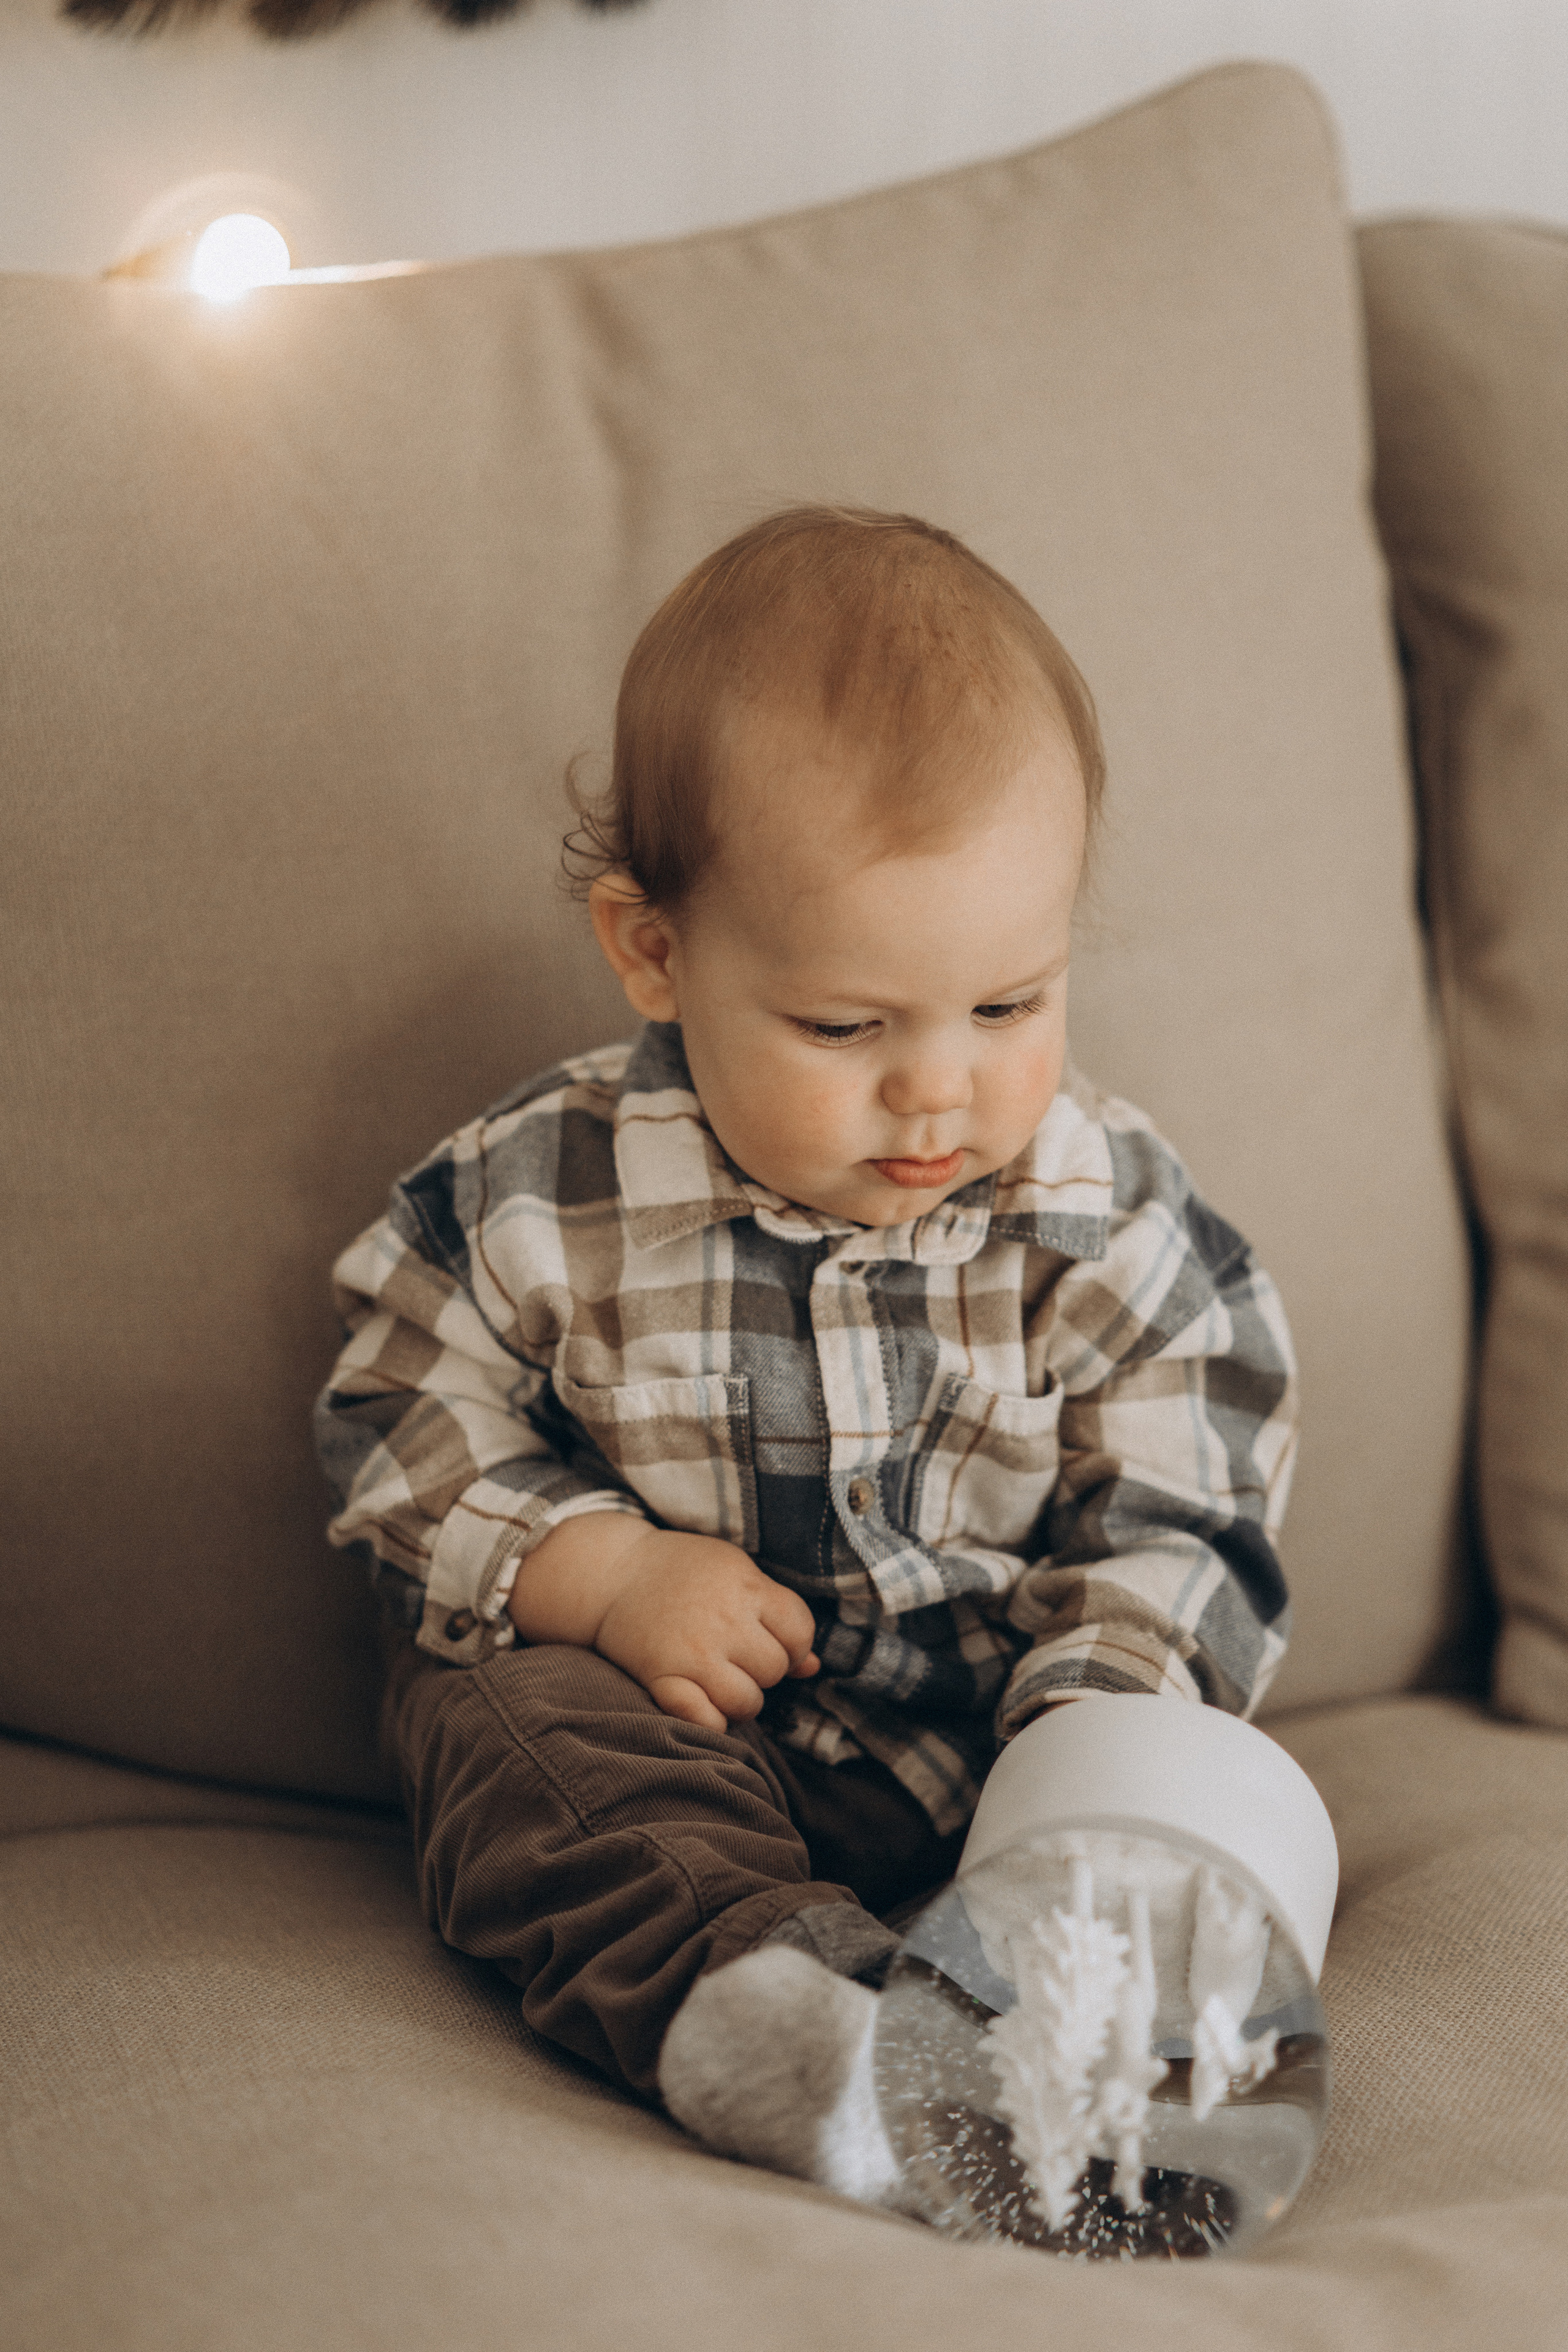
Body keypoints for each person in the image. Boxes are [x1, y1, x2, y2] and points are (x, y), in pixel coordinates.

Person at [314, 505, 1297, 2203]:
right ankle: (788, 2021)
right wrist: (601, 1572)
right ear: (657, 952)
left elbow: (1187, 1511)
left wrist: (1090, 1730)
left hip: (988, 1751)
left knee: (1187, 1756)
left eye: (1008, 1005)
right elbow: (395, 1406)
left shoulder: (1105, 1221)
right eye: (846, 1025)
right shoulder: (542, 1196)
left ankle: (1067, 2032)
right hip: (666, 1733)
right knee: (513, 1741)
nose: (938, 1089)